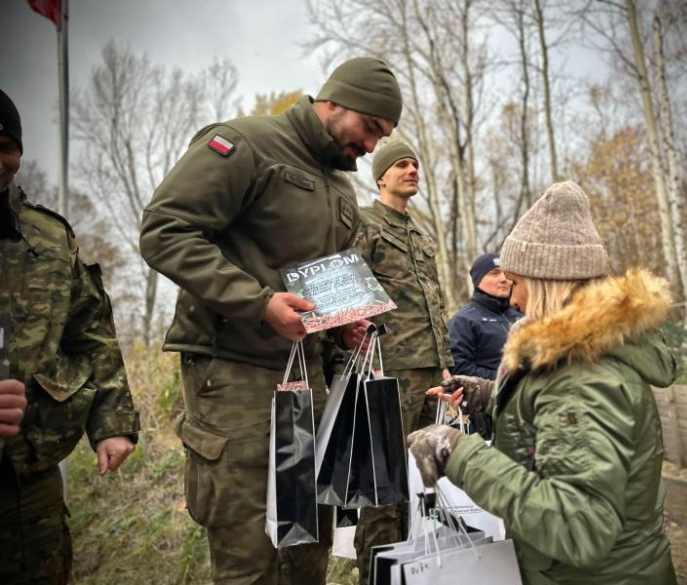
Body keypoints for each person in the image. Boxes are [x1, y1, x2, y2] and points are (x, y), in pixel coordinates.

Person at [139, 58, 402, 585]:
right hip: (235, 377)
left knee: (306, 548)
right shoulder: (245, 144)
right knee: (251, 557)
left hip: (309, 385)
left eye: (385, 135)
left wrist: (341, 327)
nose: (374, 147)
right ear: (335, 103)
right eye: (371, 128)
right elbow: (164, 231)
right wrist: (261, 303)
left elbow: (320, 284)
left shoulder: (342, 189)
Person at [409, 181, 678, 585]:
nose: (512, 299)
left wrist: (459, 453)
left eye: (515, 282)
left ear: (546, 280)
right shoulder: (582, 356)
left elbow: (579, 526)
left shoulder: (583, 374)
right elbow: (554, 427)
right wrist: (490, 395)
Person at [0, 88, 140, 584]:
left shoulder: (48, 238)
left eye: (4, 148)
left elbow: (91, 331)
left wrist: (112, 422)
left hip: (27, 479)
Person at [353, 140, 453, 584]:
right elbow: (350, 295)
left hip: (430, 372)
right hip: (387, 372)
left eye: (414, 163)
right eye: (401, 165)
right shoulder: (365, 224)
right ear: (381, 177)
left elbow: (435, 303)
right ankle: (375, 575)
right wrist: (363, 358)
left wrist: (445, 362)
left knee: (423, 479)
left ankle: (415, 571)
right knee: (384, 485)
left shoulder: (421, 234)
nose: (411, 170)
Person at [448, 253, 523, 380]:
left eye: (507, 274)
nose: (504, 279)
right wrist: (508, 380)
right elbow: (459, 368)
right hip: (487, 396)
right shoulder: (463, 321)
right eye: (495, 273)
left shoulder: (522, 315)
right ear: (478, 280)